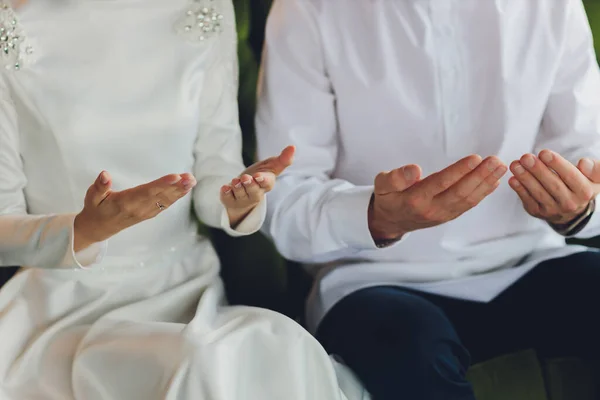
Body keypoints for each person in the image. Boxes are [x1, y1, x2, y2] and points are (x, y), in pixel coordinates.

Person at [0, 1, 369, 399]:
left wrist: (238, 197)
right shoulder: (13, 24)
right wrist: (84, 230)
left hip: (185, 292)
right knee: (199, 363)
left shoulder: (203, 11)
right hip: (66, 308)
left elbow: (215, 172)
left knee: (276, 341)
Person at [256, 0, 600, 399]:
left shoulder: (552, 6)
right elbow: (282, 193)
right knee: (405, 349)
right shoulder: (307, 9)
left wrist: (577, 209)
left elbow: (589, 163)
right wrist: (376, 217)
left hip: (529, 262)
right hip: (373, 279)